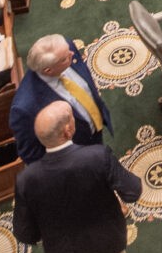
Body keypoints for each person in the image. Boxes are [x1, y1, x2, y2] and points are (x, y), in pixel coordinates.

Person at [13, 101, 142, 253]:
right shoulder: (98, 157)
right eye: (72, 117)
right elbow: (133, 191)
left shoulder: (25, 180)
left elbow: (25, 233)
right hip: (107, 246)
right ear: (67, 131)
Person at [10, 34, 113, 164]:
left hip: (94, 129)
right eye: (65, 58)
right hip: (76, 156)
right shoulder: (24, 108)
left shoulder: (65, 49)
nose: (72, 53)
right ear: (48, 70)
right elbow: (31, 155)